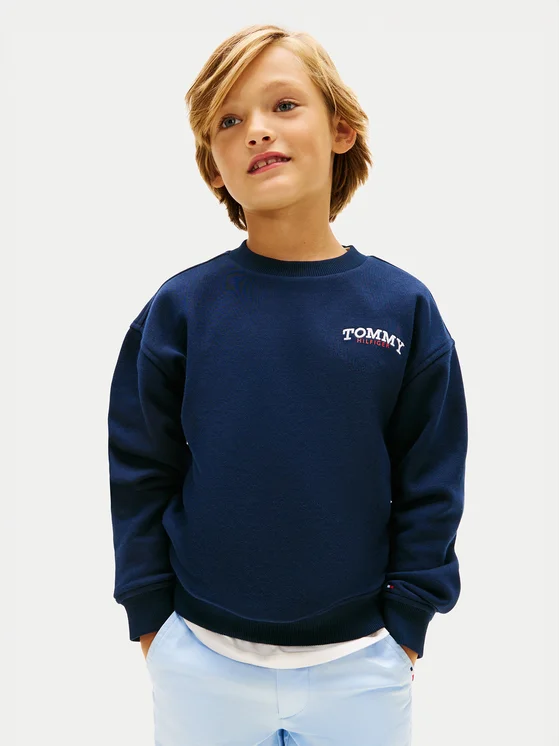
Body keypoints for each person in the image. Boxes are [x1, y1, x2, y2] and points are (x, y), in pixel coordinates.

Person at [107, 22, 468, 746]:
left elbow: (432, 479)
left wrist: (406, 627)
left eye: (283, 105)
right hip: (199, 658)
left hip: (361, 663)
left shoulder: (402, 308)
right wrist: (151, 620)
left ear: (340, 131)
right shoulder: (181, 309)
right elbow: (141, 470)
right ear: (214, 167)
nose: (256, 130)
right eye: (228, 121)